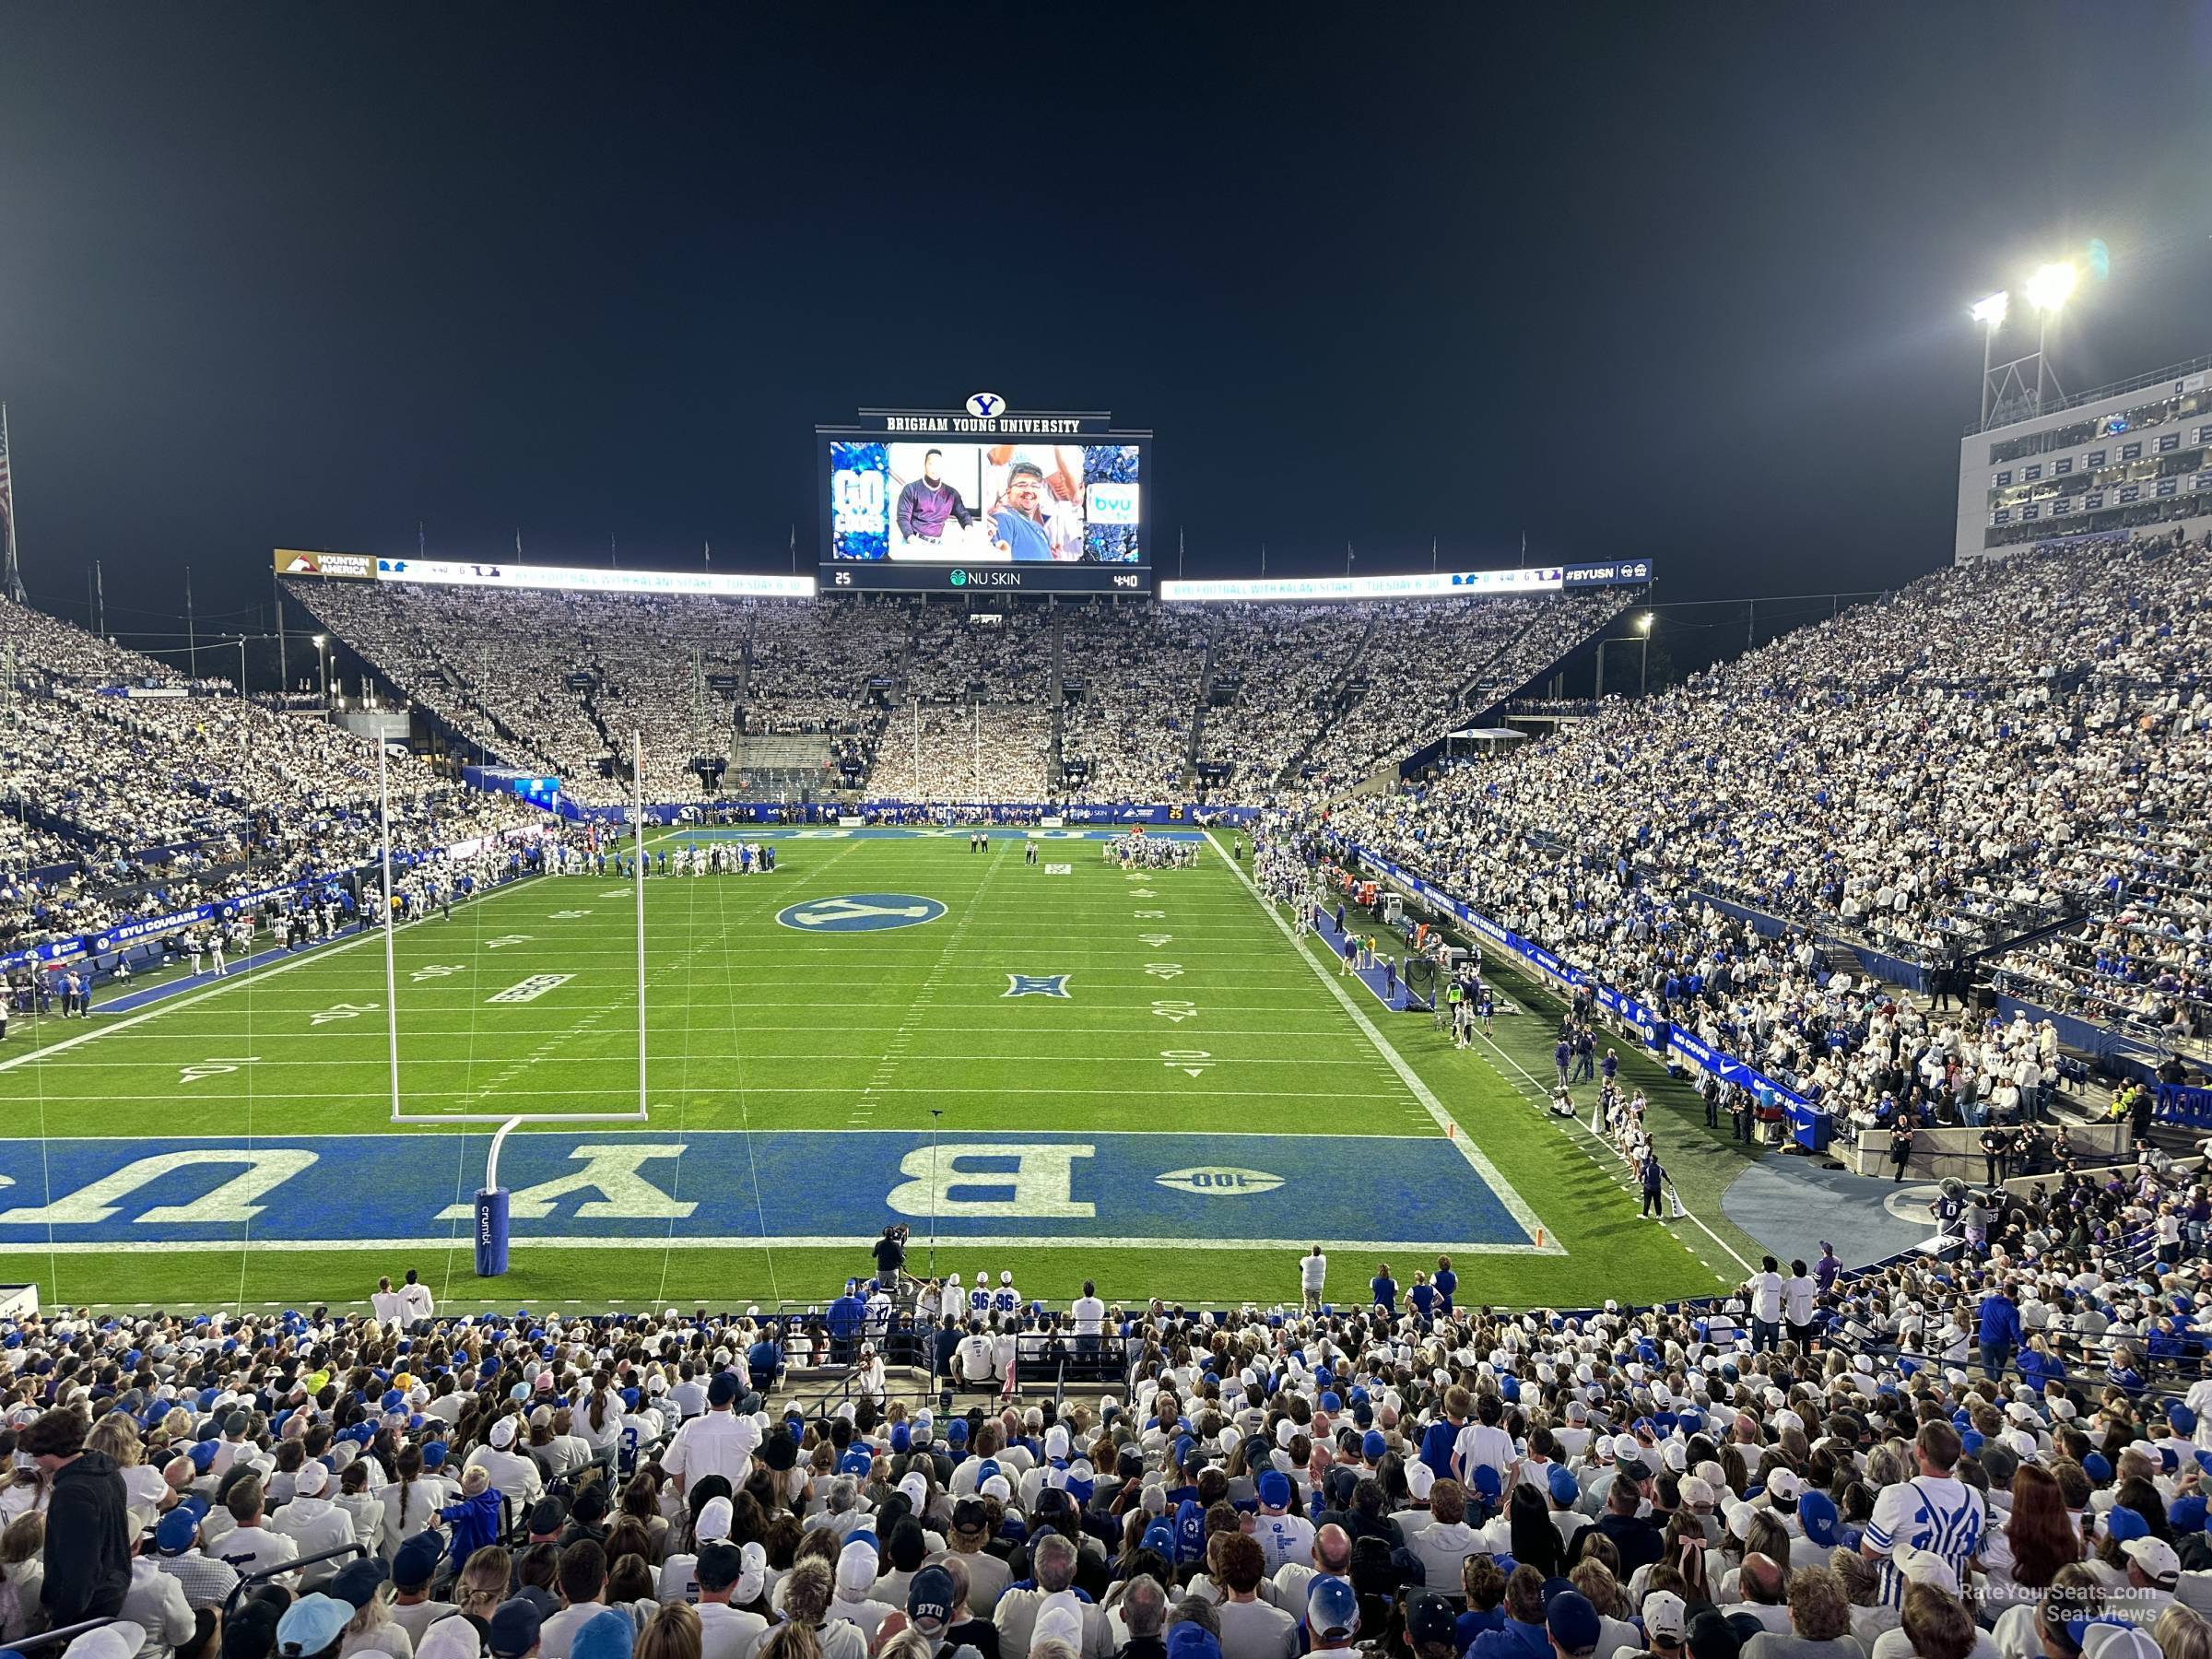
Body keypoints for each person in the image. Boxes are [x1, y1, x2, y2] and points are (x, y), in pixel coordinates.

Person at [21, 1406, 131, 1625]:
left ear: (50, 1451)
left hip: (87, 1607)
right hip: (110, 1589)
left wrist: (61, 1622)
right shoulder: (106, 1471)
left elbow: (80, 1568)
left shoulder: (72, 1494)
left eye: (36, 1454)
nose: (35, 1461)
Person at [897, 451, 974, 549]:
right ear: (924, 465)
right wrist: (912, 539)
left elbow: (963, 514)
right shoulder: (911, 489)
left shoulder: (951, 494)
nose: (934, 468)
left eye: (938, 465)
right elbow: (903, 518)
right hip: (913, 542)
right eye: (931, 464)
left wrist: (968, 530)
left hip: (937, 545)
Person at [1299, 1247, 1326, 1312]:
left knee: (1307, 1304)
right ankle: (1319, 1317)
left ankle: (1307, 1317)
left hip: (1308, 1286)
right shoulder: (1323, 1259)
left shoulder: (1305, 1260)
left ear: (1312, 1252)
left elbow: (1301, 1265)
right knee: (1318, 1304)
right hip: (1318, 1286)